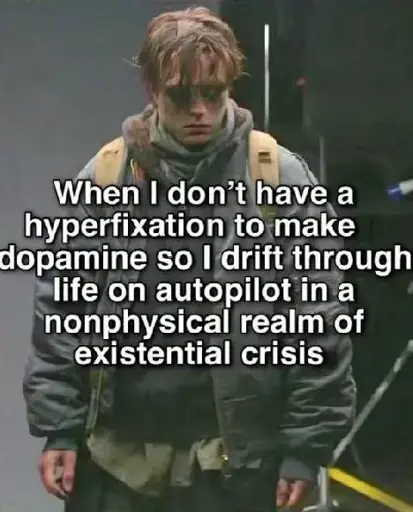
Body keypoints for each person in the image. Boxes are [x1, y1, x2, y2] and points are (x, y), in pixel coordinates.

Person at [23, 6, 356, 512]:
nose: (199, 110)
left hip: (237, 465)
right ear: (153, 91)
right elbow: (62, 312)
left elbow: (322, 323)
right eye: (182, 96)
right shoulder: (108, 177)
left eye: (213, 93)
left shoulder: (277, 179)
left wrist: (304, 451)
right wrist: (60, 430)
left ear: (229, 88)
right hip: (118, 462)